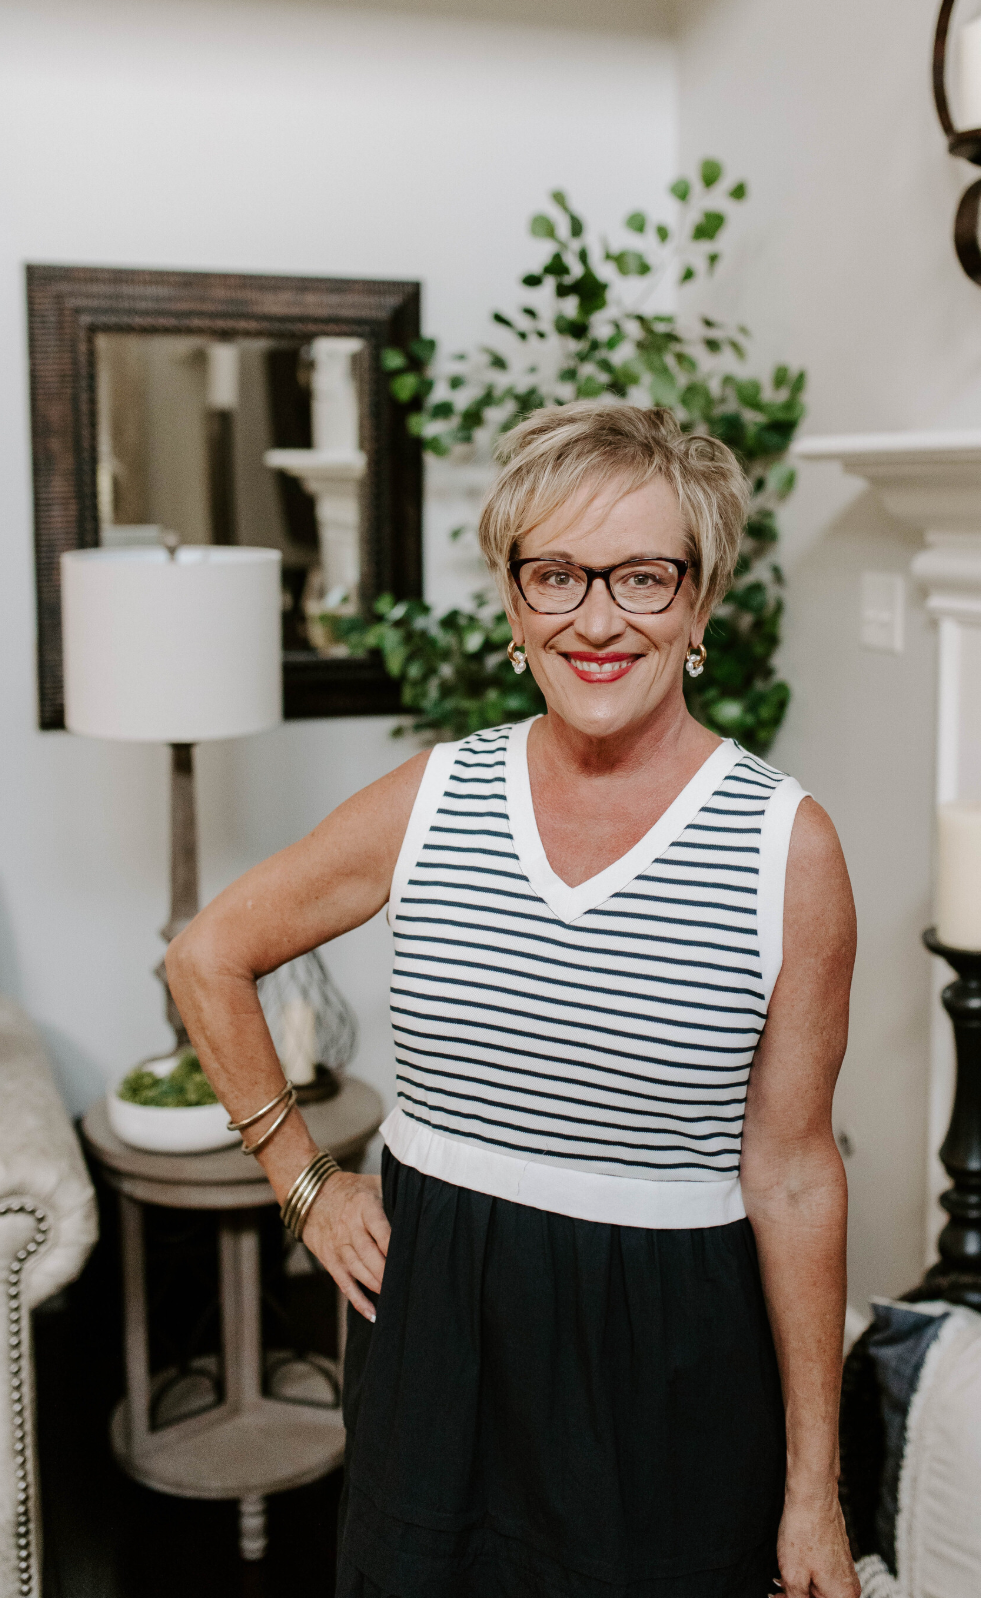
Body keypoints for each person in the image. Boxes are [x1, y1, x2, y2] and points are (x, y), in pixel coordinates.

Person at [167, 401, 860, 1598]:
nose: (595, 619)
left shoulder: (784, 850)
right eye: (556, 575)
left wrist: (815, 1492)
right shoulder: (433, 798)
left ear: (699, 601)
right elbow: (207, 953)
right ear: (512, 598)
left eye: (641, 576)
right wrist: (303, 1182)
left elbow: (795, 1175)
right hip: (435, 1339)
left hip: (671, 1368)